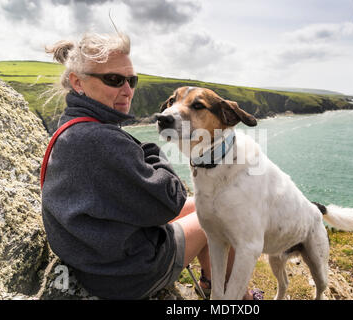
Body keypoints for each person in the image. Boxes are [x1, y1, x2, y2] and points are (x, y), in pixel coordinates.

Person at [41, 31, 260, 300]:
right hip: (125, 273)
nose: (128, 90)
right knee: (219, 215)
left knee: (209, 202)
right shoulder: (101, 140)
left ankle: (210, 282)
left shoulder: (71, 126)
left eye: (132, 80)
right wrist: (150, 148)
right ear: (78, 82)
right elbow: (169, 200)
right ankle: (241, 298)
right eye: (114, 80)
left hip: (94, 250)